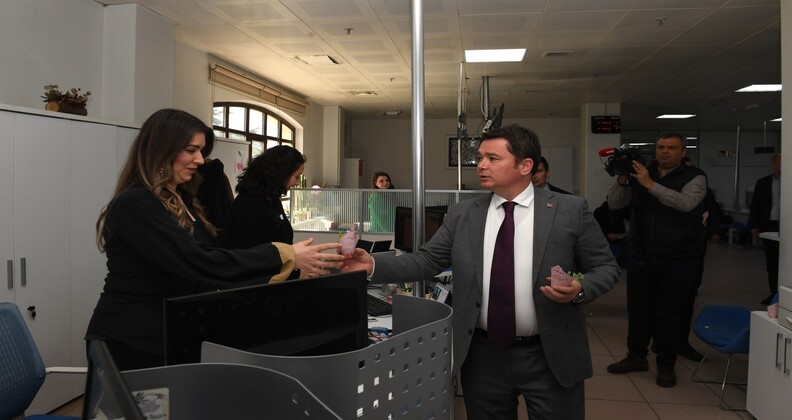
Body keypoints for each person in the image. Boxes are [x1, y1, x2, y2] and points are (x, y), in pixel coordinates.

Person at [341, 125, 619, 419]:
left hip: (549, 353)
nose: (481, 165)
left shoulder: (570, 210)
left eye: (493, 158)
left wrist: (579, 291)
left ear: (525, 166)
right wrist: (372, 265)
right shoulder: (463, 214)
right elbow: (427, 260)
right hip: (483, 355)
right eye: (481, 157)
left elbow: (605, 268)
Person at [84, 109, 343, 370]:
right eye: (191, 150)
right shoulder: (137, 204)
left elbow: (215, 263)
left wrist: (289, 269)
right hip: (132, 339)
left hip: (170, 334)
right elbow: (200, 262)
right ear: (161, 150)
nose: (200, 160)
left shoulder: (182, 199)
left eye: (201, 151)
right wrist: (284, 255)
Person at [606, 133, 708, 388]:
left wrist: (650, 184)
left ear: (683, 152)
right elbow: (614, 203)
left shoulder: (695, 177)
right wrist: (623, 179)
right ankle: (636, 356)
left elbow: (685, 203)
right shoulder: (642, 172)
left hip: (678, 258)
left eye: (671, 148)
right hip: (641, 256)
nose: (664, 152)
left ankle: (666, 364)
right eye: (661, 147)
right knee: (638, 311)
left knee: (669, 314)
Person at [220, 146, 306, 272]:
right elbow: (248, 260)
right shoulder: (249, 206)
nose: (297, 183)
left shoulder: (272, 200)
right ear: (282, 174)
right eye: (297, 177)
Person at [748, 153, 781, 305]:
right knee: (772, 262)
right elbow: (756, 205)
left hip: (787, 226)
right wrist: (754, 225)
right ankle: (774, 293)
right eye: (778, 162)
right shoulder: (763, 183)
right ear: (773, 164)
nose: (781, 165)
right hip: (770, 225)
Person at [592, 200, 630, 268]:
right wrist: (607, 235)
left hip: (619, 239)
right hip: (604, 241)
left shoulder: (620, 210)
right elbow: (595, 229)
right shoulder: (599, 212)